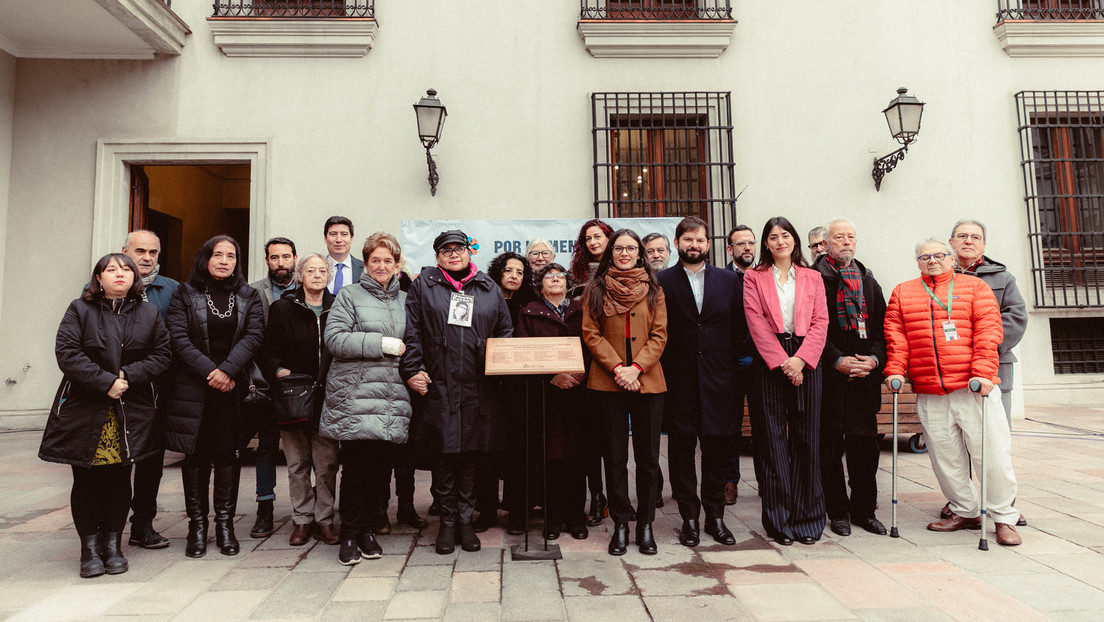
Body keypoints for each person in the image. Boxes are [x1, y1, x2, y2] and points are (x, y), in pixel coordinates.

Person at [884, 239, 1021, 546]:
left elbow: (989, 331)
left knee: (992, 454)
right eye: (925, 257)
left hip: (973, 387)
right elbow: (897, 336)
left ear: (951, 259)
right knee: (946, 458)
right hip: (930, 389)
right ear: (918, 262)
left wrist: (984, 373)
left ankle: (1003, 517)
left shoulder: (974, 288)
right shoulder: (903, 292)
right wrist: (895, 370)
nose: (932, 260)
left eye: (938, 255)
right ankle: (966, 510)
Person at [42, 253, 171, 578]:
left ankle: (113, 546)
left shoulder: (150, 312)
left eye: (125, 270)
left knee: (118, 480)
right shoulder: (79, 310)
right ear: (98, 278)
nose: (119, 274)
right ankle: (89, 549)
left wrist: (126, 376)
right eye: (110, 269)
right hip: (85, 410)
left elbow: (162, 354)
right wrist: (105, 383)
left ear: (134, 279)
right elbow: (67, 353)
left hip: (130, 411)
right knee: (85, 480)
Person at [401, 230, 513, 555]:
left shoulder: (488, 287)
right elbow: (413, 330)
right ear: (437, 256)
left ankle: (466, 519)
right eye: (446, 250)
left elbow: (504, 329)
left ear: (468, 252)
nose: (453, 254)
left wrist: (497, 360)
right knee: (445, 453)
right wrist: (414, 368)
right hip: (439, 383)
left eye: (459, 249)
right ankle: (447, 522)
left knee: (471, 454)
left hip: (479, 385)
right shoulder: (425, 285)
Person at [165, 235, 265, 558]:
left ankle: (225, 525)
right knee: (195, 457)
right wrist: (212, 372)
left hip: (232, 390)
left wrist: (228, 372)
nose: (224, 260)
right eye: (217, 254)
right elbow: (177, 338)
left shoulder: (249, 295)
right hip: (194, 389)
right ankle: (197, 527)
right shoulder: (185, 293)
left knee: (228, 455)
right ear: (205, 257)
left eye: (231, 256)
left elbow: (254, 336)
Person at [321, 233, 415, 565]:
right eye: (375, 260)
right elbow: (334, 338)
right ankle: (349, 535)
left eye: (388, 260)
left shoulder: (406, 299)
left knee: (380, 469)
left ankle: (368, 531)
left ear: (397, 265)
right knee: (357, 468)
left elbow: (416, 343)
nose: (381, 266)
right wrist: (380, 344)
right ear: (366, 262)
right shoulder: (349, 295)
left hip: (392, 397)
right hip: (357, 396)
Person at [657, 217, 746, 548]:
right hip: (678, 383)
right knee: (681, 454)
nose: (694, 245)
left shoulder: (729, 281)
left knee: (717, 452)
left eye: (700, 240)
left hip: (720, 381)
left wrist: (729, 368)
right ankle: (689, 519)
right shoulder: (661, 281)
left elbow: (740, 329)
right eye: (687, 239)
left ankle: (716, 517)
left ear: (709, 245)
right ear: (677, 242)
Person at [581, 228, 667, 556]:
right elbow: (591, 334)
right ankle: (620, 523)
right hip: (608, 383)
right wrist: (619, 368)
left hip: (647, 382)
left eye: (632, 248)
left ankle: (645, 525)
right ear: (610, 253)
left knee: (647, 459)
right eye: (620, 248)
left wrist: (636, 369)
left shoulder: (654, 289)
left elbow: (659, 334)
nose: (626, 253)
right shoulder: (595, 289)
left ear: (639, 253)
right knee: (615, 458)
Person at [743, 216, 828, 546]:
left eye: (786, 235)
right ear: (766, 243)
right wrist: (782, 362)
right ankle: (779, 520)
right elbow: (755, 322)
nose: (780, 241)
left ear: (794, 240)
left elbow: (821, 321)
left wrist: (801, 360)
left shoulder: (813, 277)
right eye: (773, 237)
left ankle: (808, 518)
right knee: (772, 441)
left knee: (808, 439)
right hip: (770, 359)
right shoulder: (754, 277)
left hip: (807, 356)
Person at [947, 219, 1029, 527]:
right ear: (951, 242)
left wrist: (984, 349)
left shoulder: (1002, 277)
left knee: (996, 440)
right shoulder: (940, 275)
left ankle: (1004, 507)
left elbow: (1016, 317)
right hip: (953, 371)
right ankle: (963, 503)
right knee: (956, 440)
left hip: (994, 369)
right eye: (962, 236)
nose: (969, 241)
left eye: (975, 237)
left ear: (984, 244)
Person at [812, 219, 888, 537]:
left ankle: (864, 511)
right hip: (830, 379)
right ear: (826, 243)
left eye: (850, 236)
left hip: (863, 380)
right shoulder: (814, 279)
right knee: (829, 449)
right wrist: (836, 361)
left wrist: (873, 360)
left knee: (864, 449)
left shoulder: (868, 281)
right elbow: (810, 328)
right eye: (838, 237)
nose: (845, 241)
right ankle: (838, 511)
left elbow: (883, 331)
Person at [259, 254, 340, 547]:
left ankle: (325, 519)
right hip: (292, 395)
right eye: (311, 270)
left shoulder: (338, 306)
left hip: (329, 396)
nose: (317, 275)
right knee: (296, 463)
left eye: (322, 270)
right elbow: (267, 350)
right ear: (300, 275)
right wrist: (280, 371)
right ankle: (302, 519)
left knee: (327, 463)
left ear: (328, 276)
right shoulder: (283, 307)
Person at [516, 263, 590, 540]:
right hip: (546, 397)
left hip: (579, 396)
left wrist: (582, 373)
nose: (556, 280)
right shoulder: (529, 313)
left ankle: (576, 516)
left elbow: (593, 344)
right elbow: (524, 353)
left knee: (578, 458)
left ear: (568, 283)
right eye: (549, 276)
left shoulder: (581, 310)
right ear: (540, 284)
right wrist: (552, 376)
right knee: (550, 459)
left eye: (560, 276)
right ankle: (552, 517)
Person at [119, 230, 179, 549]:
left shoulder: (172, 290)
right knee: (116, 461)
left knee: (151, 460)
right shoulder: (104, 286)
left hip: (156, 388)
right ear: (124, 250)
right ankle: (110, 525)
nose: (146, 257)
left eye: (153, 252)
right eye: (139, 250)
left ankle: (143, 524)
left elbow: (177, 338)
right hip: (115, 387)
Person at [481, 252, 537, 533]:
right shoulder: (484, 300)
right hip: (488, 385)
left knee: (518, 450)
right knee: (487, 449)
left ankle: (517, 510)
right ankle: (486, 510)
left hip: (519, 387)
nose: (514, 275)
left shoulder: (528, 305)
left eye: (520, 271)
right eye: (508, 270)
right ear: (498, 273)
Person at [247, 236, 299, 540]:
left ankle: (312, 507)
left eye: (286, 257)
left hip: (298, 380)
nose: (281, 263)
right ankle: (264, 507)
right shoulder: (254, 292)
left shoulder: (307, 288)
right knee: (266, 446)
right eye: (275, 257)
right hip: (266, 381)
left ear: (295, 258)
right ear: (267, 260)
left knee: (307, 448)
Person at [567, 218, 614, 525]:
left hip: (615, 362)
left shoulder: (621, 271)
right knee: (589, 441)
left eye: (598, 237)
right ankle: (596, 497)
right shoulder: (574, 277)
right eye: (587, 239)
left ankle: (616, 497)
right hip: (583, 360)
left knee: (613, 440)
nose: (593, 242)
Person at [723, 224, 760, 504]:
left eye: (750, 242)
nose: (747, 247)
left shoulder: (766, 276)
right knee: (729, 427)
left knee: (764, 425)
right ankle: (729, 481)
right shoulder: (720, 280)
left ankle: (767, 481)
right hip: (729, 363)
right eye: (740, 243)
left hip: (762, 361)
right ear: (730, 249)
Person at [324, 216, 364, 295]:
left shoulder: (365, 269)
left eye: (344, 234)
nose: (338, 240)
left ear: (351, 238)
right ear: (325, 238)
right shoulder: (315, 269)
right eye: (333, 234)